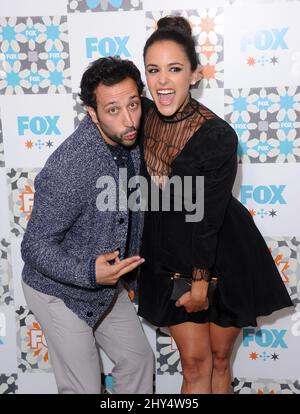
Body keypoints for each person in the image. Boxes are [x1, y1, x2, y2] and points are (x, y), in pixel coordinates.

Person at [137, 16, 294, 394]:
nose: (162, 81)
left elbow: (207, 219)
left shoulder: (219, 136)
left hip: (223, 252)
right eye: (153, 70)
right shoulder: (138, 114)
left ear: (194, 74)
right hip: (169, 255)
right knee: (195, 365)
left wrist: (201, 282)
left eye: (174, 69)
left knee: (220, 361)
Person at [21, 56, 154, 394]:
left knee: (139, 361)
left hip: (106, 284)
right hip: (58, 292)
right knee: (84, 388)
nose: (128, 120)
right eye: (113, 110)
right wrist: (89, 274)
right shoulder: (70, 167)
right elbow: (33, 247)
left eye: (134, 104)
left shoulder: (132, 132)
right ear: (92, 112)